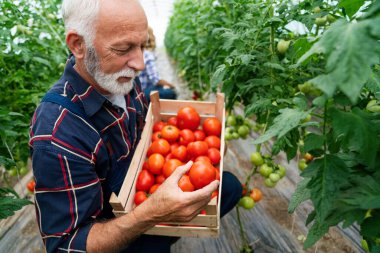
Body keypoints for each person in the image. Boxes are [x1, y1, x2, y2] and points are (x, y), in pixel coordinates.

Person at [29, 0, 242, 252]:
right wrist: (147, 216)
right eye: (124, 48)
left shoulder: (119, 76)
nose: (140, 63)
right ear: (78, 45)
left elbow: (148, 135)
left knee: (229, 187)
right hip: (113, 227)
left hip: (142, 187)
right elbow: (66, 245)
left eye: (141, 45)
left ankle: (162, 234)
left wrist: (200, 150)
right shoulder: (57, 133)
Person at [138, 27, 177, 103]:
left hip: (137, 91)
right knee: (170, 92)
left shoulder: (141, 53)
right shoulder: (147, 55)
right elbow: (156, 79)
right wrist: (172, 86)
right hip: (143, 92)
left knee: (162, 87)